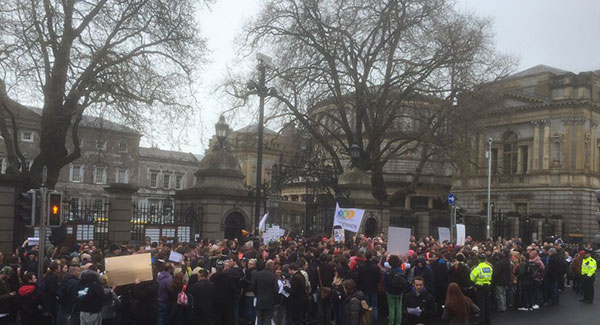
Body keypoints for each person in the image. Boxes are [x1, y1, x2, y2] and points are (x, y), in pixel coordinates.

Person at [357, 250, 381, 324]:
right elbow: (378, 279)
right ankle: (375, 322)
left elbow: (358, 277)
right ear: (372, 256)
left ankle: (367, 322)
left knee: (366, 307)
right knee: (374, 307)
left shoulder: (361, 266)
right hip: (373, 288)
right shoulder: (375, 267)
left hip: (364, 288)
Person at [252, 260, 279, 325]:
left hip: (260, 300)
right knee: (268, 319)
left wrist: (257, 294)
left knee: (259, 319)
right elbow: (276, 289)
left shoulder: (258, 274)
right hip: (270, 301)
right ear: (272, 266)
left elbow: (253, 287)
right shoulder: (273, 276)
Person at [469, 254, 492, 325]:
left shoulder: (478, 268)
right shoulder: (489, 267)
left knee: (481, 305)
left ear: (479, 260)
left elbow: (471, 278)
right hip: (487, 286)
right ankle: (488, 320)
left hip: (480, 287)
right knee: (487, 304)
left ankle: (482, 321)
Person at [384, 255, 406, 325]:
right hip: (399, 292)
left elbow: (385, 283)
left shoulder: (387, 272)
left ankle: (391, 323)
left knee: (391, 308)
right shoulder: (402, 271)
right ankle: (398, 323)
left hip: (390, 292)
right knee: (399, 308)